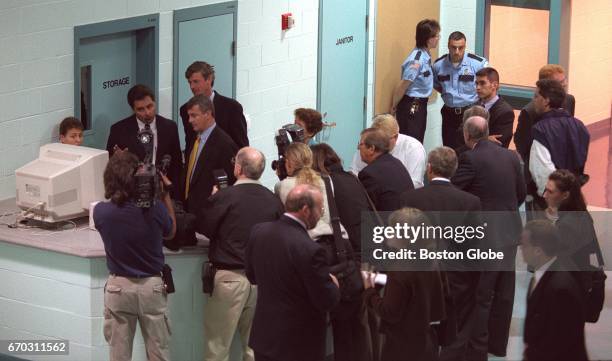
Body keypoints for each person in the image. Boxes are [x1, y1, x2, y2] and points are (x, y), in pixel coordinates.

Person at [198, 147, 283, 361]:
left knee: (218, 346)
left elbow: (204, 227)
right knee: (254, 349)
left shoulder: (225, 197)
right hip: (262, 281)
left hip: (229, 279)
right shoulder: (273, 200)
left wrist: (213, 200)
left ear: (237, 168)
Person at [451, 116, 526, 359]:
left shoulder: (470, 158)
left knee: (481, 295)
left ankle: (477, 349)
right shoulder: (511, 156)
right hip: (510, 230)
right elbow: (521, 194)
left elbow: (456, 193)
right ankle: (497, 345)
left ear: (467, 135)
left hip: (484, 235)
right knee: (504, 292)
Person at [400, 147, 482, 361]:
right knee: (455, 331)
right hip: (457, 276)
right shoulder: (470, 201)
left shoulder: (410, 199)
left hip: (419, 277)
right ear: (454, 170)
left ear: (429, 168)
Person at [93, 151, 176, 361]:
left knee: (118, 355)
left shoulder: (101, 212)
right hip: (151, 287)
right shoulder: (155, 208)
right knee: (159, 353)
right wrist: (164, 195)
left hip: (118, 287)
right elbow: (172, 231)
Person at [246, 184, 341, 361]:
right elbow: (326, 300)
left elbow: (252, 276)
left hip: (265, 339)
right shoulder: (310, 250)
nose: (321, 214)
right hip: (299, 344)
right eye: (320, 208)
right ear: (305, 209)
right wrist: (333, 284)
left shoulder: (258, 232)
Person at [311, 143, 372, 361]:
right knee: (359, 324)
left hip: (350, 259)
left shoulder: (328, 184)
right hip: (369, 258)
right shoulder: (352, 179)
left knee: (344, 326)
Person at [363, 208, 446, 361]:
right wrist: (381, 279)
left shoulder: (399, 269)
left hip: (402, 346)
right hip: (426, 341)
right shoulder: (431, 260)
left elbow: (389, 312)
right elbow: (415, 288)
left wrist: (369, 290)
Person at [520, 220, 588, 361]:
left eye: (524, 246)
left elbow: (558, 342)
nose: (521, 249)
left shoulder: (560, 289)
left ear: (538, 250)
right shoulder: (542, 275)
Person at [106, 84, 183, 195]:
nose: (147, 112)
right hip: (133, 193)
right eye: (140, 109)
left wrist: (174, 191)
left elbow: (177, 164)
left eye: (150, 106)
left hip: (164, 191)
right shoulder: (118, 130)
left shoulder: (169, 127)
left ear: (154, 103)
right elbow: (111, 167)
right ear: (133, 109)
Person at [529, 79, 590, 204]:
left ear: (546, 101)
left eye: (536, 96)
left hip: (552, 200)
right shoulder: (580, 126)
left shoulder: (541, 129)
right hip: (574, 195)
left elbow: (542, 170)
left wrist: (549, 197)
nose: (533, 100)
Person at [514, 64, 576, 173]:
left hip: (563, 167)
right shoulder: (529, 112)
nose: (565, 84)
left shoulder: (570, 100)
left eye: (565, 79)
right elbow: (521, 143)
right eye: (560, 82)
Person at [183, 94, 238, 214]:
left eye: (194, 116)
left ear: (207, 114)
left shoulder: (224, 144)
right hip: (191, 209)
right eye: (189, 116)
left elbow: (229, 183)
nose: (189, 120)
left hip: (209, 213)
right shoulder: (196, 137)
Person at [433, 31, 488, 149]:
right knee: (450, 149)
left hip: (470, 112)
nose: (457, 51)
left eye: (460, 48)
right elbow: (437, 85)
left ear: (465, 46)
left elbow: (487, 87)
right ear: (448, 46)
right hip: (449, 114)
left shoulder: (477, 64)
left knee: (471, 149)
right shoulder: (438, 65)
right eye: (453, 47)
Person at [390, 19, 440, 143]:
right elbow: (403, 85)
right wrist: (394, 106)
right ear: (428, 39)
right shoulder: (416, 60)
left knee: (417, 143)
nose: (438, 38)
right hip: (412, 106)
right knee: (412, 144)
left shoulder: (425, 55)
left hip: (420, 105)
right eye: (436, 36)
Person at [180, 61, 248, 151]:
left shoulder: (232, 108)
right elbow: (190, 144)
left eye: (196, 81)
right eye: (190, 82)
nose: (192, 86)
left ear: (209, 79)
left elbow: (242, 147)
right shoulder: (185, 109)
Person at [350, 114, 426, 188]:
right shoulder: (368, 144)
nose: (379, 143)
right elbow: (354, 174)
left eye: (384, 140)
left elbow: (415, 184)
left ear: (395, 137)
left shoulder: (413, 148)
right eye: (375, 139)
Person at [358, 128, 414, 212]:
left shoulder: (369, 174)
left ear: (371, 149)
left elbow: (365, 209)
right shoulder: (397, 162)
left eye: (360, 144)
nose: (358, 148)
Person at [474, 67, 514, 148]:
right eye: (476, 83)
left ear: (495, 85)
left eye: (482, 83)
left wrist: (474, 139)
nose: (477, 87)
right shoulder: (474, 106)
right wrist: (486, 139)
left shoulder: (505, 112)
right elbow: (462, 134)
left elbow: (498, 143)